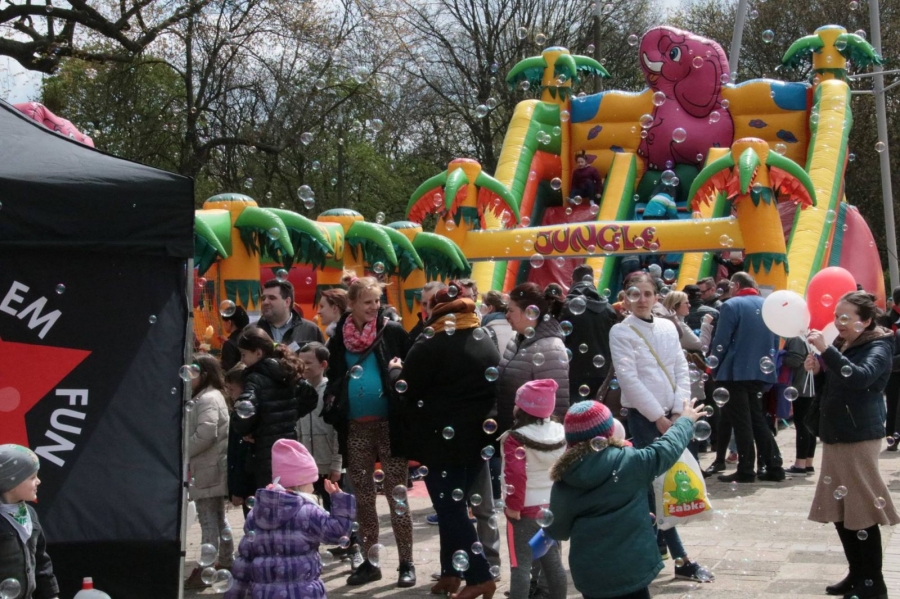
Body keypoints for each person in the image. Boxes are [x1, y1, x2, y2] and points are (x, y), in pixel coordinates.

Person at [393, 283, 501, 599]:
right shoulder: (484, 336)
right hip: (478, 437)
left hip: (442, 441)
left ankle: (480, 576)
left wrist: (394, 370)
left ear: (436, 310)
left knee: (450, 509)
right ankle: (451, 572)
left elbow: (405, 387)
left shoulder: (432, 342)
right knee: (453, 506)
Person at [609, 271, 713, 582]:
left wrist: (680, 412)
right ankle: (679, 557)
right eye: (634, 293)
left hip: (675, 417)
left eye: (647, 293)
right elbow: (628, 378)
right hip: (645, 418)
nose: (641, 300)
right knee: (655, 487)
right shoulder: (621, 331)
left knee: (670, 482)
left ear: (657, 296)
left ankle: (655, 548)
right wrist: (658, 416)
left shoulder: (668, 326)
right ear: (625, 298)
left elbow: (681, 368)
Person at [546, 399, 705, 599]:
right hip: (634, 568)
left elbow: (557, 530)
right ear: (609, 432)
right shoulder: (632, 461)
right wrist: (685, 421)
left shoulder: (564, 479)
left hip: (591, 575)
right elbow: (667, 447)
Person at [804, 291, 900, 599]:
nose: (838, 322)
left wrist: (827, 352)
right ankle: (857, 574)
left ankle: (873, 584)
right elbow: (839, 384)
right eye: (836, 316)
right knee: (841, 509)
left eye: (845, 317)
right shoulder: (846, 343)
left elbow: (860, 378)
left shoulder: (879, 345)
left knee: (861, 511)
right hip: (837, 433)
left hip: (858, 437)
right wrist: (819, 371)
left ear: (866, 321)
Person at [323, 276, 414, 587]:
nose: (375, 306)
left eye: (377, 300)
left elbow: (411, 371)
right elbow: (335, 376)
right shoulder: (339, 338)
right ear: (351, 304)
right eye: (368, 302)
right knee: (362, 498)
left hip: (390, 426)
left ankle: (406, 563)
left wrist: (399, 373)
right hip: (355, 428)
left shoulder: (392, 331)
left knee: (396, 496)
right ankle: (370, 563)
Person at [225, 439, 356, 599]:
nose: (313, 488)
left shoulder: (257, 513)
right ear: (301, 483)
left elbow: (243, 563)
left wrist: (233, 595)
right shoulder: (309, 513)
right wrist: (340, 500)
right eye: (311, 482)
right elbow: (338, 533)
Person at [705, 272, 784, 483]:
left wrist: (713, 367)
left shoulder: (731, 305)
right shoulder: (768, 306)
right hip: (759, 372)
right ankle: (774, 465)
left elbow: (721, 341)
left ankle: (746, 469)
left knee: (742, 422)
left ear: (736, 285)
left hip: (734, 372)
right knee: (757, 419)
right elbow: (775, 342)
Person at [500, 380, 567, 599]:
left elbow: (516, 475)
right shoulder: (561, 432)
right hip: (552, 507)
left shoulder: (514, 437)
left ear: (523, 408)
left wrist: (513, 506)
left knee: (520, 565)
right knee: (553, 563)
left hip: (524, 509)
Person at [232, 327, 319, 489]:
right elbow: (311, 396)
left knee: (270, 496)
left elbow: (243, 411)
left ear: (258, 353)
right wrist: (290, 415)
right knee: (289, 494)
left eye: (243, 354)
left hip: (265, 452)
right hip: (289, 449)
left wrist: (247, 430)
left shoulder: (255, 378)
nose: (242, 360)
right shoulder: (288, 369)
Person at [184, 356, 232, 589]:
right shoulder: (211, 396)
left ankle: (207, 566)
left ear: (203, 375)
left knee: (208, 519)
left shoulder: (207, 398)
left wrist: (183, 451)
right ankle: (226, 561)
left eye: (191, 374)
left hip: (207, 468)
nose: (187, 379)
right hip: (211, 466)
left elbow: (206, 433)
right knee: (218, 518)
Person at [496, 283, 570, 434]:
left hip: (531, 438)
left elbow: (558, 406)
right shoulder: (516, 339)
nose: (507, 315)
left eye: (511, 310)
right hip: (510, 431)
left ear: (530, 312)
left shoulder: (551, 348)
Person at [0, 445, 58, 599]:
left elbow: (40, 562)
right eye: (32, 477)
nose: (38, 481)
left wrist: (51, 595)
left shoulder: (30, 514)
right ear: (11, 483)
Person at [560, 265, 617, 400]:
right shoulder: (609, 309)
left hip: (572, 371)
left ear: (572, 281)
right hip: (601, 373)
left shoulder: (565, 307)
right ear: (592, 281)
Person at [781, 337, 818, 475]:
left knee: (802, 425)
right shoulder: (807, 336)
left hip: (802, 386)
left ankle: (800, 464)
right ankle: (808, 463)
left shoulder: (796, 337)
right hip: (809, 385)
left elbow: (795, 360)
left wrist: (781, 356)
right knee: (808, 426)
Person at [223, 365, 255, 517]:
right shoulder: (239, 411)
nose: (229, 394)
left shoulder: (243, 416)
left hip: (248, 482)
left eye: (232, 389)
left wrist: (237, 490)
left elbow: (239, 453)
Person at [256, 279, 324, 347]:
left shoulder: (310, 330)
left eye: (272, 298)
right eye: (263, 299)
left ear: (287, 302)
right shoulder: (253, 330)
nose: (265, 302)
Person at [220, 305, 250, 371]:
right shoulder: (249, 338)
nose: (223, 324)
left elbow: (226, 371)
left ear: (229, 322)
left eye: (224, 321)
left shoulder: (229, 344)